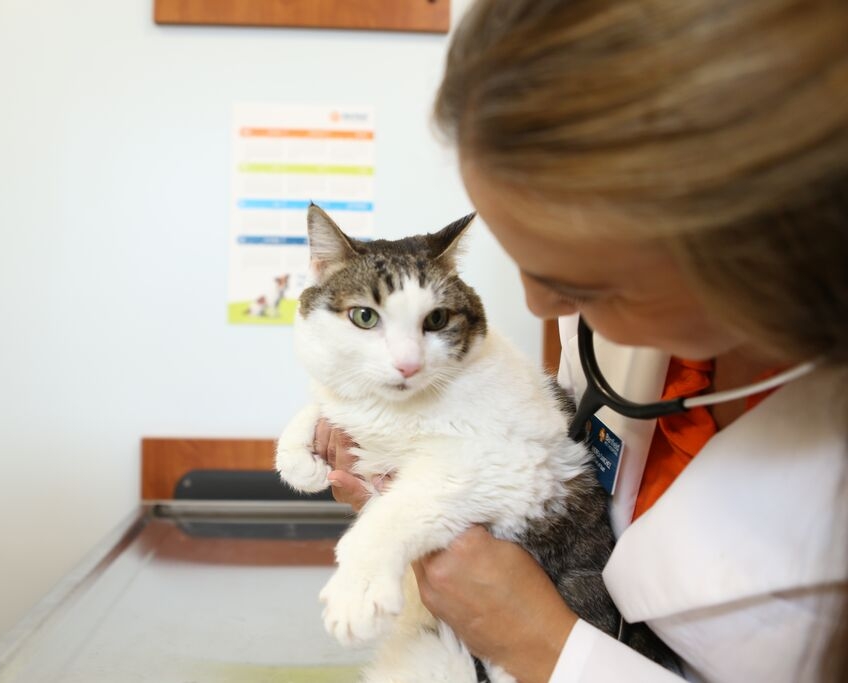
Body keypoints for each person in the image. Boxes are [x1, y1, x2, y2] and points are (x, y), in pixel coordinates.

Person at [314, 0, 848, 680]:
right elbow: (545, 480)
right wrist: (411, 491)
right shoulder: (618, 333)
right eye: (528, 265)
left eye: (583, 282)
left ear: (751, 243)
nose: (540, 306)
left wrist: (545, 644)